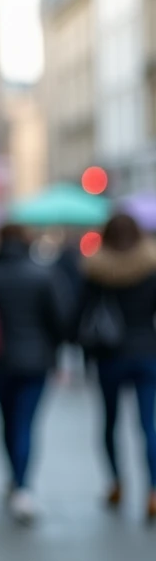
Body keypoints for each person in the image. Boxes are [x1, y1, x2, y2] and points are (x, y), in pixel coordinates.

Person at [0, 223, 67, 524]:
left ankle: (14, 479)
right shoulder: (43, 275)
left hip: (0, 360)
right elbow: (60, 320)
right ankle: (23, 486)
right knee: (26, 422)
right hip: (36, 361)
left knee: (7, 421)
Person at [77, 212, 156, 520]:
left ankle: (115, 482)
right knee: (147, 425)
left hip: (109, 354)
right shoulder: (150, 266)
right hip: (147, 352)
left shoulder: (96, 269)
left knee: (109, 422)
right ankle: (152, 489)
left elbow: (81, 313)